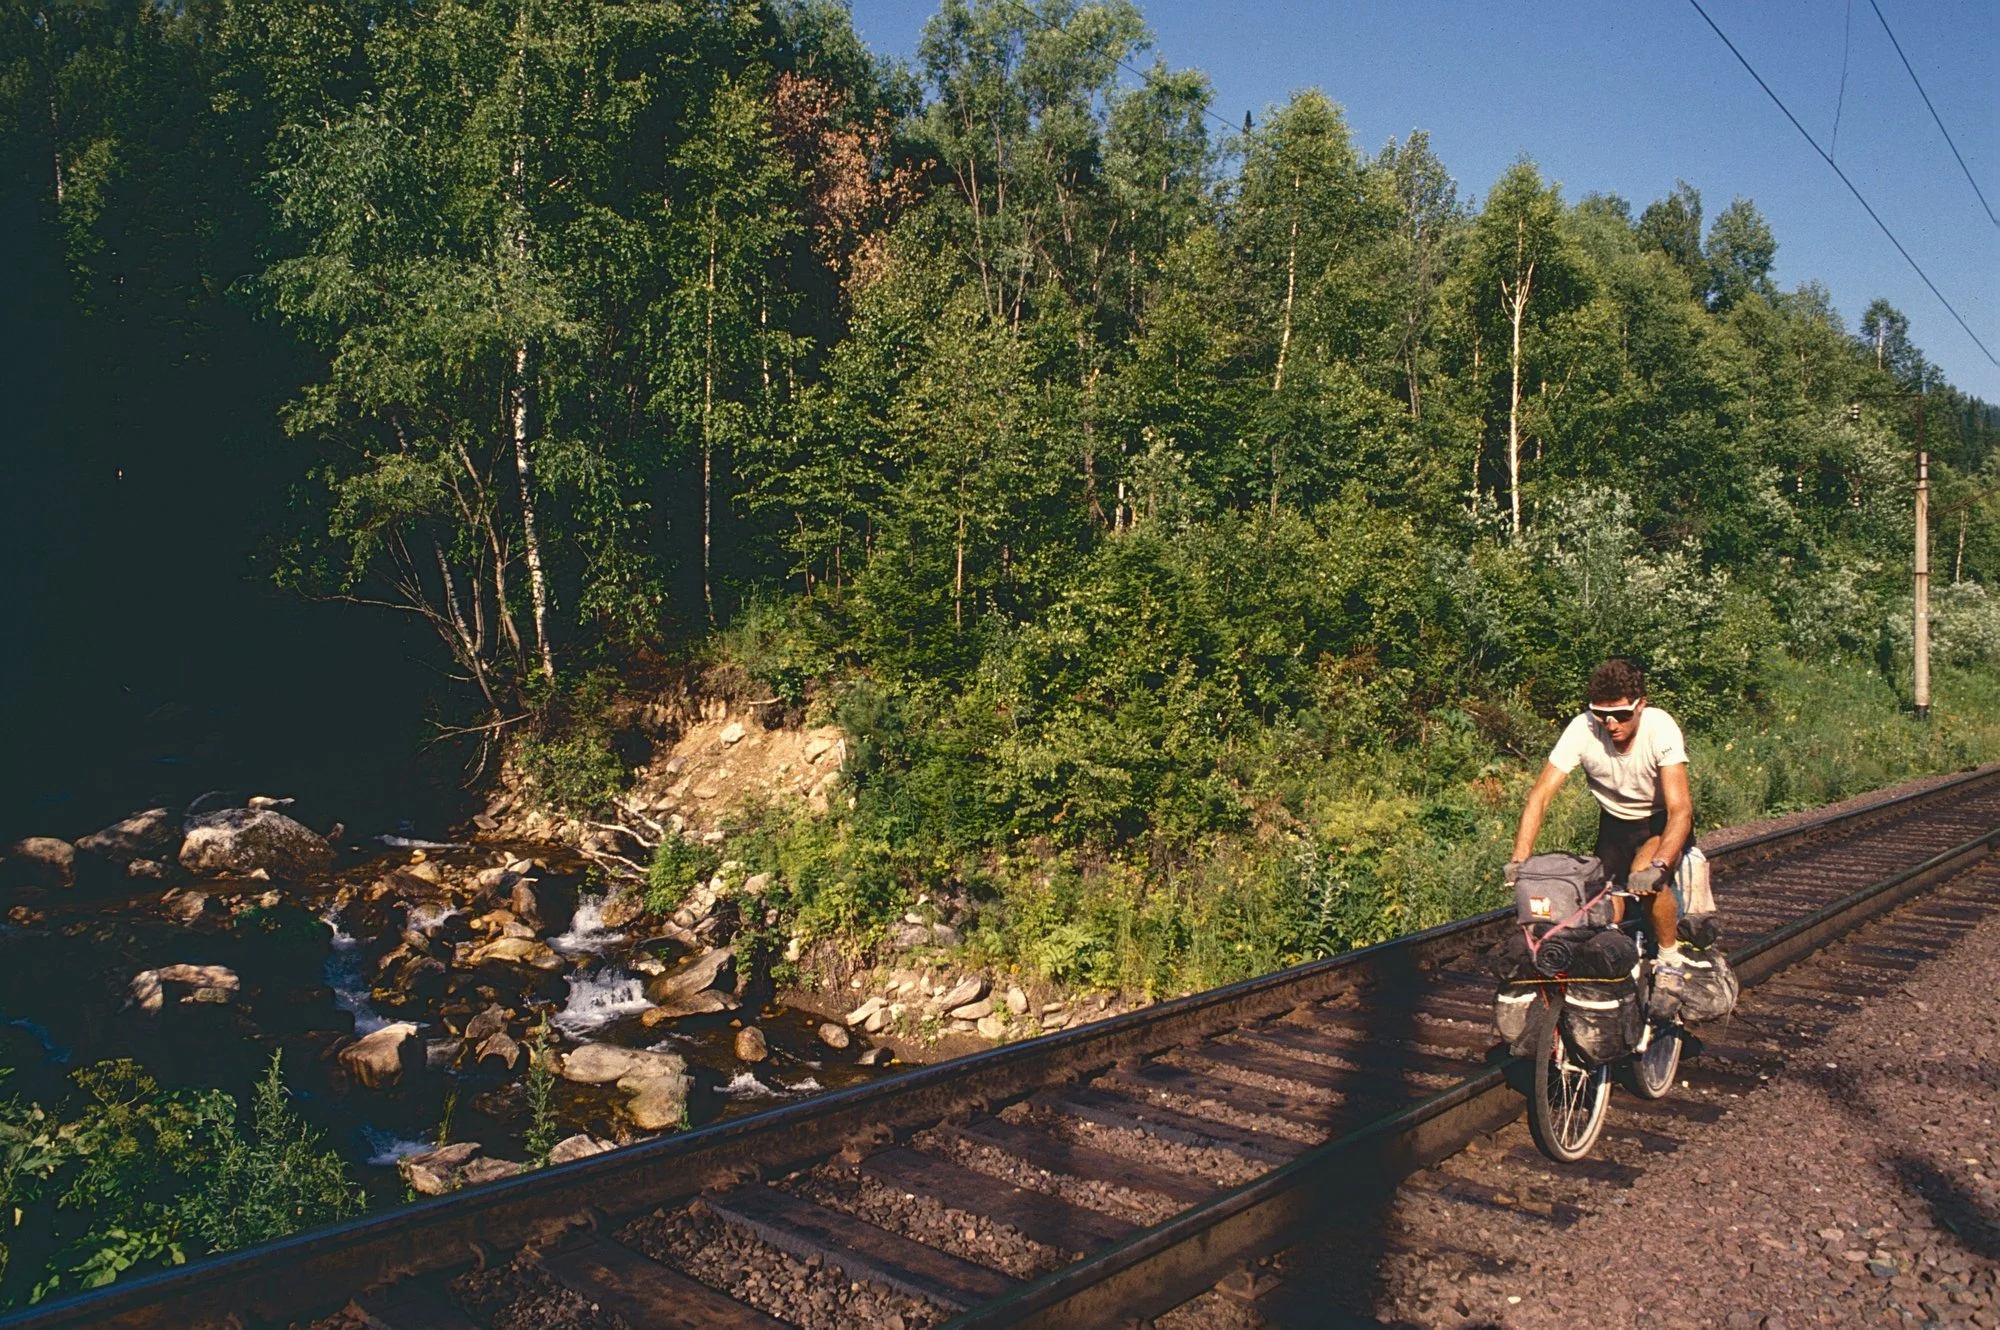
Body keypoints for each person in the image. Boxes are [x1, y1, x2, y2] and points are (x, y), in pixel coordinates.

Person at [1507, 658, 1695, 1010]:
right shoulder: (1583, 728)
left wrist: (1660, 863)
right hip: (1614, 826)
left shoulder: (1661, 728)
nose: (1611, 724)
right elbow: (1540, 795)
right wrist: (1520, 858)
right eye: (1601, 714)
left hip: (1657, 824)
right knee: (1603, 907)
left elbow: (1681, 809)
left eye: (1622, 714)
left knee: (1646, 878)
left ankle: (1670, 959)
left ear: (1641, 704)